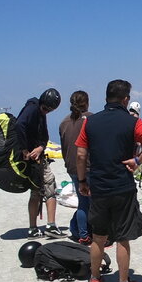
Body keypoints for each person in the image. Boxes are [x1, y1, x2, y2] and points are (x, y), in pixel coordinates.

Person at [75, 79, 142, 282]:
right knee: (122, 238)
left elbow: (81, 154)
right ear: (126, 99)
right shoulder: (132, 122)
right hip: (122, 187)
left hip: (98, 187)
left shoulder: (90, 122)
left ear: (106, 97)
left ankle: (94, 279)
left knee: (98, 237)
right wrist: (137, 161)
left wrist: (83, 182)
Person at [13, 88, 65, 238]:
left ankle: (33, 228)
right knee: (50, 185)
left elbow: (44, 135)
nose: (46, 112)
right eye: (45, 109)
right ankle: (51, 226)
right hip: (33, 158)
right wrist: (24, 149)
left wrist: (40, 147)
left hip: (34, 157)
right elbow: (19, 125)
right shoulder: (33, 109)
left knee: (35, 191)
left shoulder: (36, 109)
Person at [58, 91, 92, 243]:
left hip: (72, 167)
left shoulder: (64, 123)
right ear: (87, 103)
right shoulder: (91, 119)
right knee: (92, 203)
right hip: (89, 166)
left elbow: (64, 148)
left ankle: (82, 233)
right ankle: (92, 234)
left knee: (82, 202)